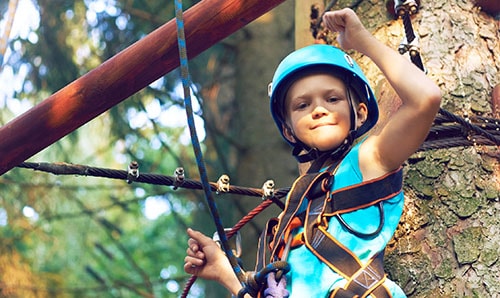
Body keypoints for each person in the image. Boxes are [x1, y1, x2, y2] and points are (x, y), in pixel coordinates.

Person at [184, 8, 441, 298]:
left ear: (360, 113)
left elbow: (425, 99)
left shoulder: (366, 161)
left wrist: (362, 40)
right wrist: (223, 270)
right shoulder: (290, 222)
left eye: (332, 98)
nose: (319, 109)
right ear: (289, 131)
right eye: (302, 105)